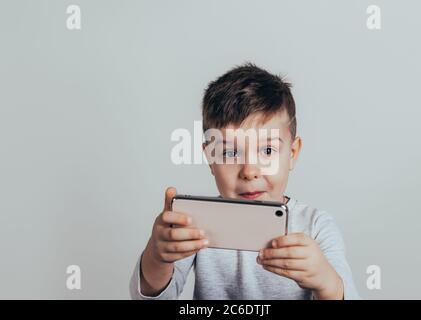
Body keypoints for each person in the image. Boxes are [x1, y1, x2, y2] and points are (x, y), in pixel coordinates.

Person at [129, 63, 360, 299]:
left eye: (268, 150)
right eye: (230, 153)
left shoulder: (317, 226)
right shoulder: (198, 223)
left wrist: (326, 282)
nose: (249, 171)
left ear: (292, 153)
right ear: (210, 158)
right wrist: (157, 257)